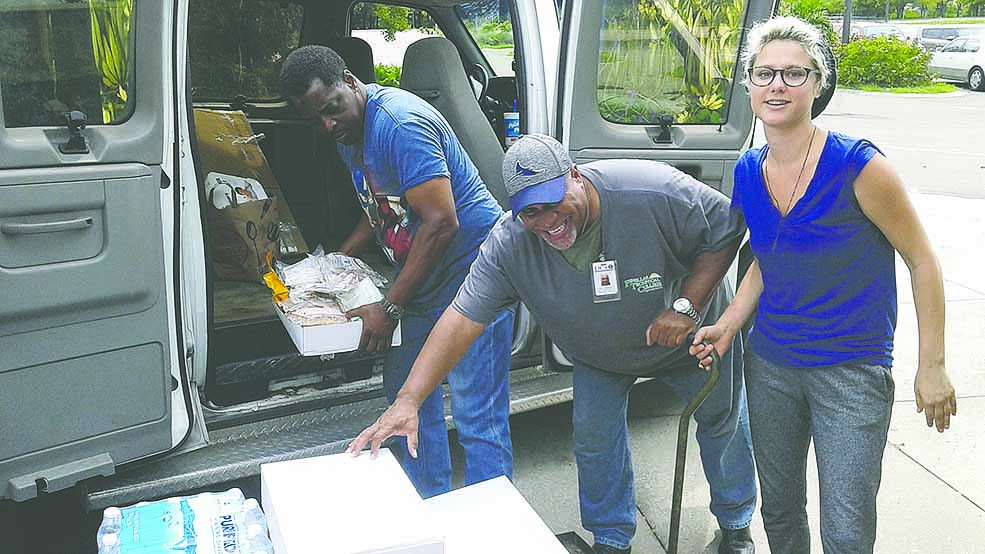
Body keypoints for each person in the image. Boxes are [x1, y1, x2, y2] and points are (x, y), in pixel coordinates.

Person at [349, 134, 758, 554]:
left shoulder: (649, 189)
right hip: (601, 353)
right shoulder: (508, 244)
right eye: (530, 212)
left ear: (576, 176)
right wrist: (409, 401)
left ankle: (736, 523)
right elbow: (460, 320)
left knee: (722, 422)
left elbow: (728, 228)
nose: (546, 221)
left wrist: (688, 306)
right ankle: (612, 539)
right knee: (595, 439)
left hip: (691, 340)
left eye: (553, 202)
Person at [689, 16, 958, 554]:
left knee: (847, 528)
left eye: (794, 74)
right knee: (781, 513)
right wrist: (727, 324)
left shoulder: (859, 166)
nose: (777, 86)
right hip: (771, 367)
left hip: (852, 371)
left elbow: (922, 260)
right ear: (748, 85)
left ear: (818, 82)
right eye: (764, 74)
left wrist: (932, 365)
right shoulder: (747, 169)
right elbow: (769, 257)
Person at [278, 45, 515, 499]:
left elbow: (442, 222)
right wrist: (333, 264)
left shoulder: (399, 124)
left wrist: (390, 305)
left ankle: (495, 527)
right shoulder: (351, 131)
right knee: (406, 399)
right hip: (425, 277)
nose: (328, 125)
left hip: (473, 273)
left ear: (349, 82)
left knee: (476, 414)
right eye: (316, 120)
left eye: (332, 110)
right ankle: (425, 512)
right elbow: (381, 207)